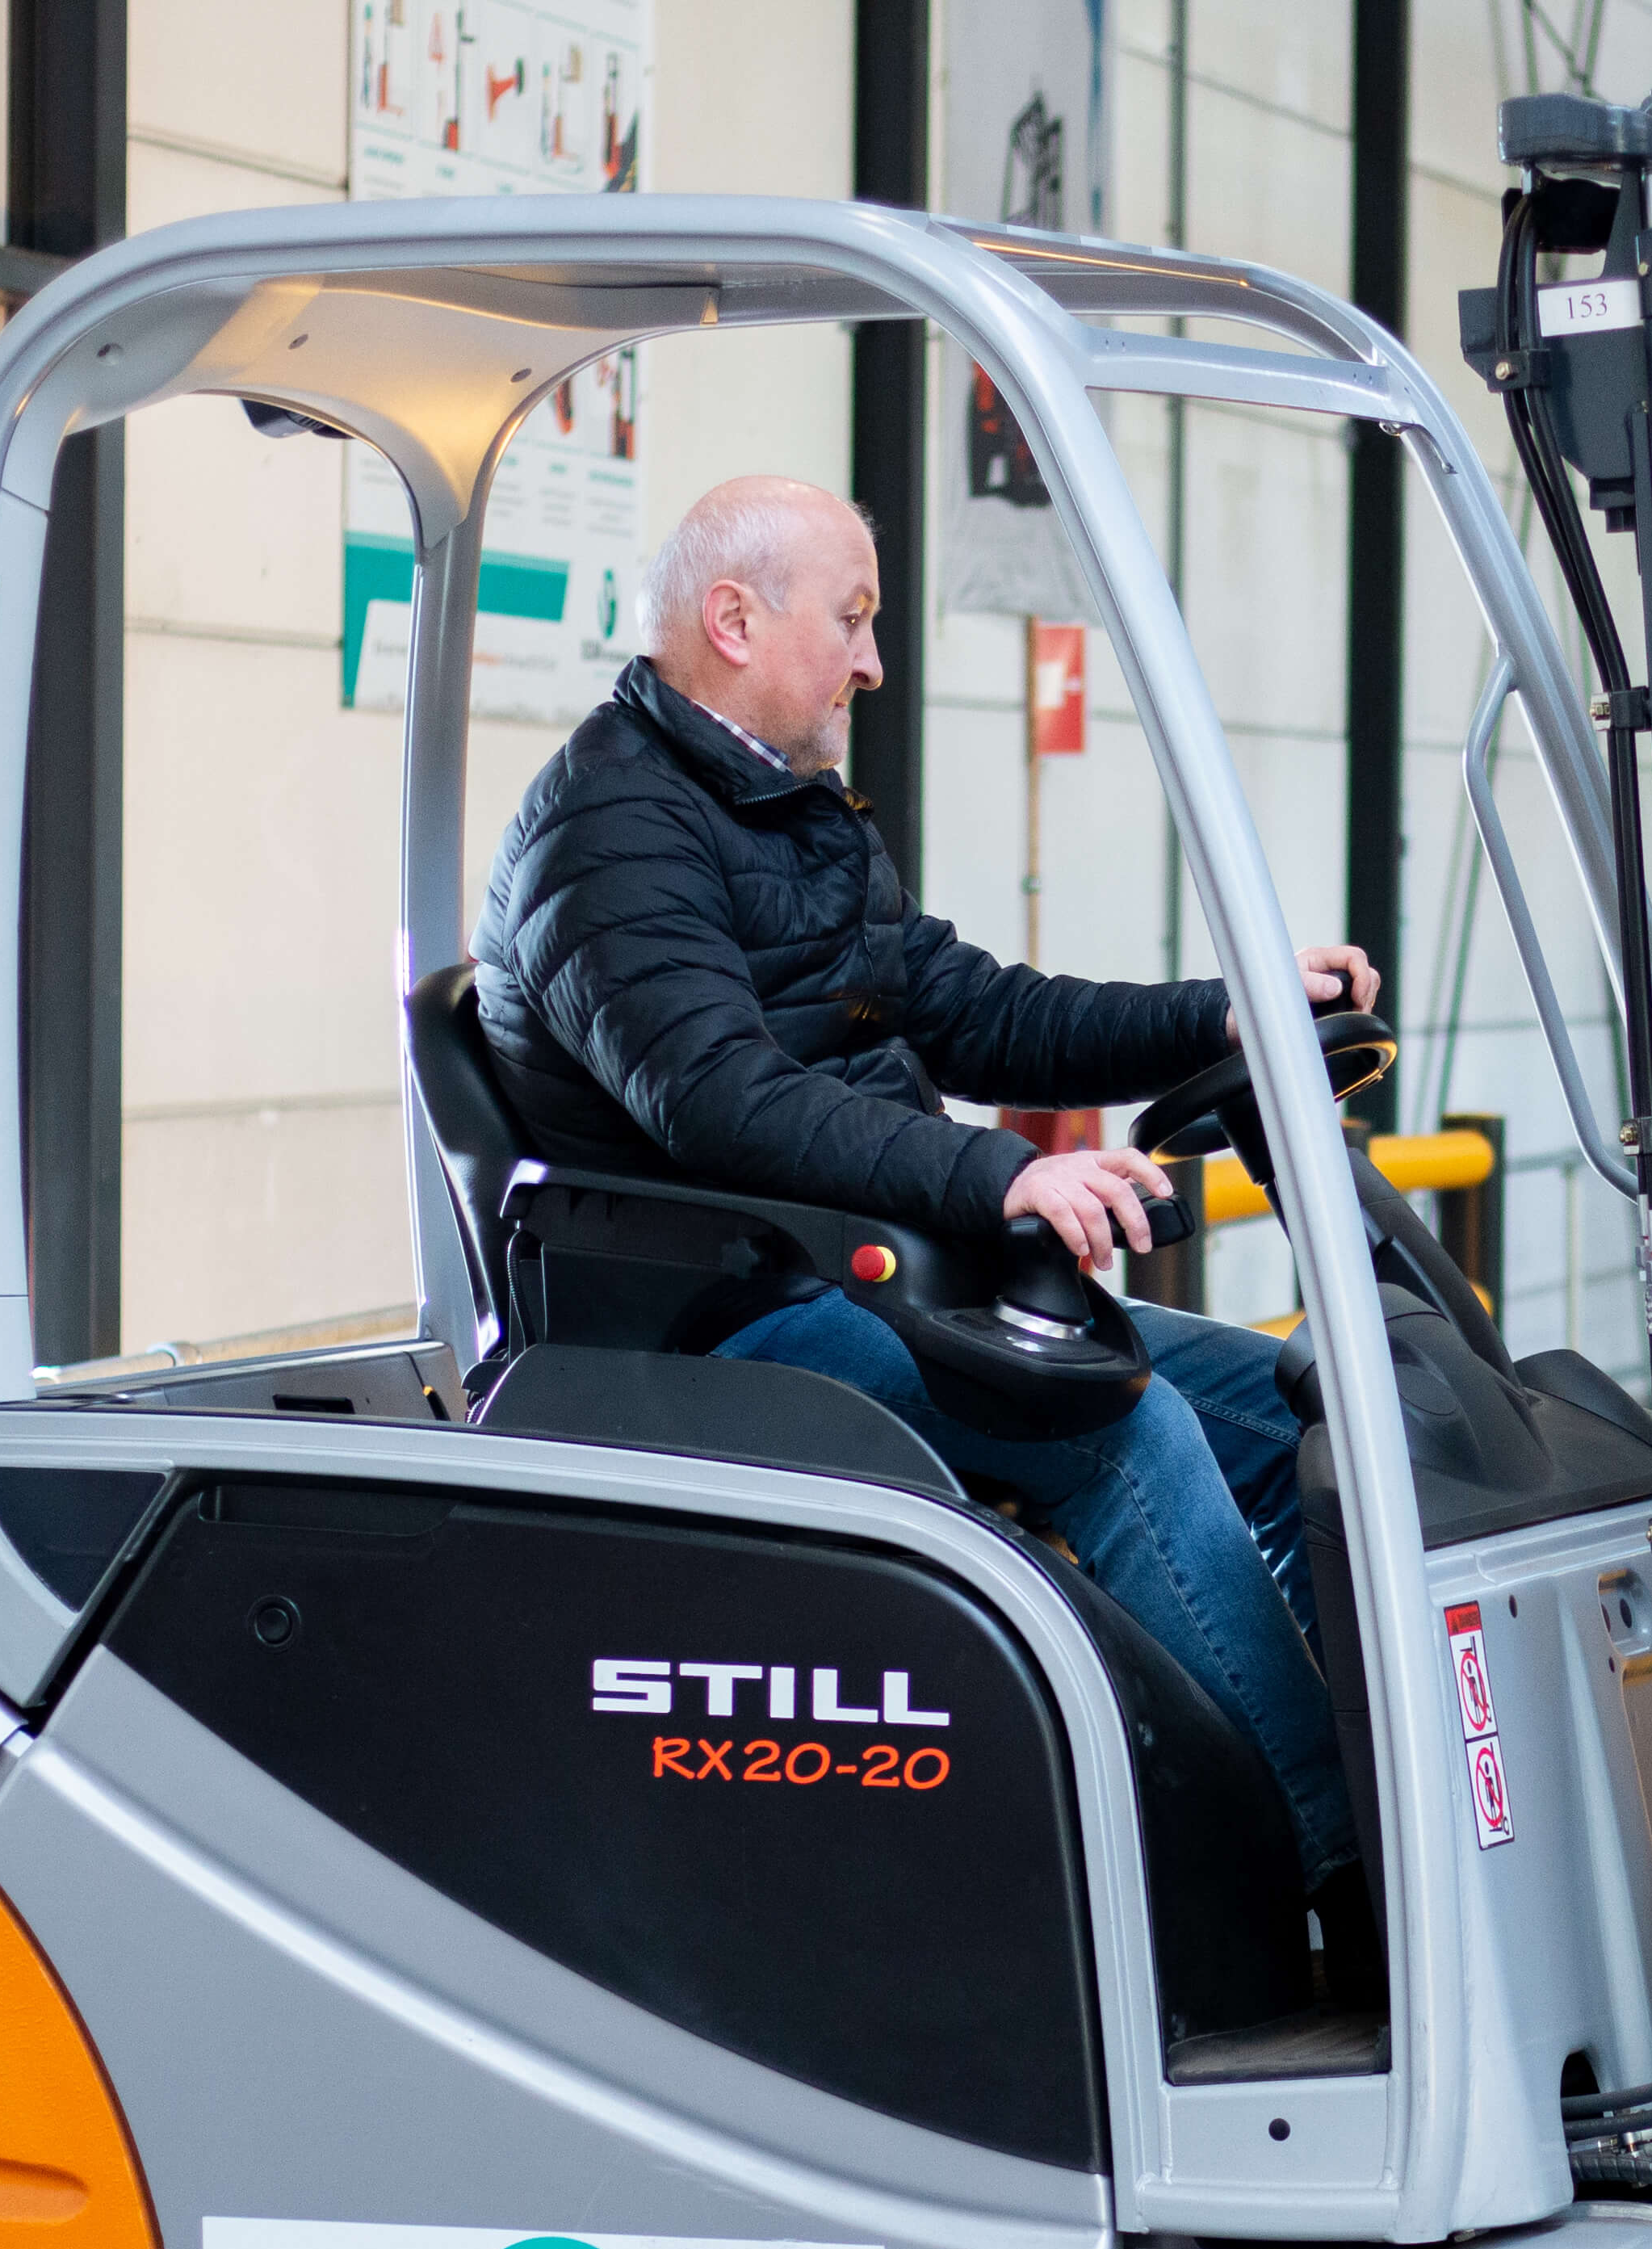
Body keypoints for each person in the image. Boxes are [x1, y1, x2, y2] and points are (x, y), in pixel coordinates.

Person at [475, 473, 1371, 1886]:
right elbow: (723, 1101)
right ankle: (1332, 1881)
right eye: (852, 619)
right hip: (717, 1307)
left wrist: (1230, 1008)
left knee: (1305, 1410)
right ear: (734, 618)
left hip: (854, 1266)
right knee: (1121, 1439)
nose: (873, 660)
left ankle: (1357, 1789)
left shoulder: (781, 812)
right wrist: (1003, 1178)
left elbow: (977, 1007)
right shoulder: (609, 833)